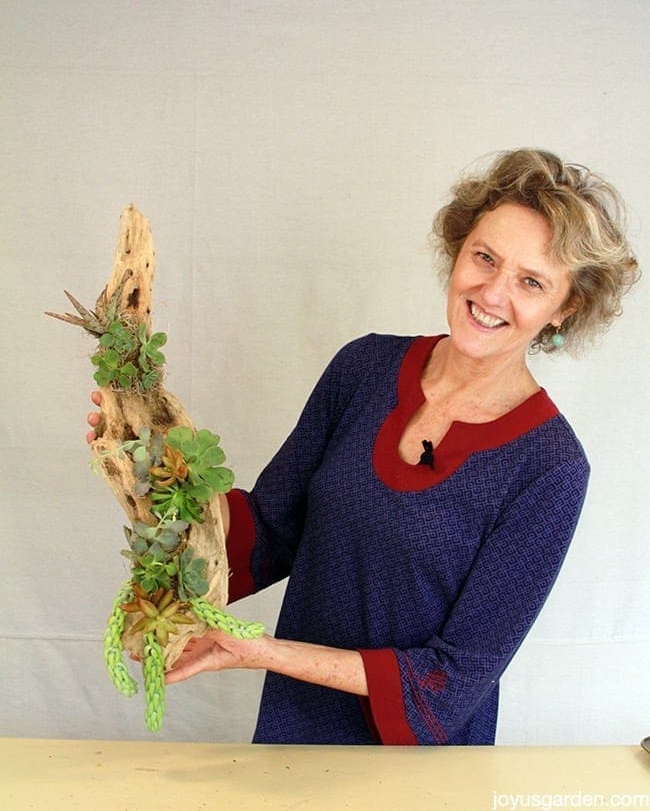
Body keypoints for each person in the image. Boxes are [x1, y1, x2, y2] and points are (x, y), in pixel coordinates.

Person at [87, 149, 639, 745]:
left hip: (417, 772)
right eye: (484, 257)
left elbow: (451, 683)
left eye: (532, 282)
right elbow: (268, 532)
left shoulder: (550, 468)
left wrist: (265, 652)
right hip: (294, 736)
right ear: (459, 250)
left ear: (567, 306)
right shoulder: (364, 368)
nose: (493, 292)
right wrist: (152, 459)